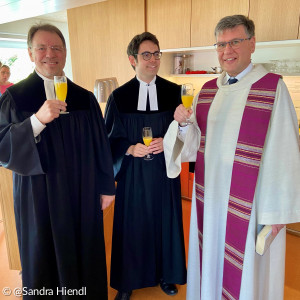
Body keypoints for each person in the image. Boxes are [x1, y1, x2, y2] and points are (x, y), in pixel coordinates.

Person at [164, 15, 300, 300]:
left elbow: (287, 153)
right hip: (211, 201)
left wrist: (275, 215)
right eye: (221, 44)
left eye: (235, 42)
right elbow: (192, 147)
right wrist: (183, 124)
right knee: (210, 262)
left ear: (252, 43)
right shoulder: (208, 90)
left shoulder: (272, 88)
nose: (227, 51)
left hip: (250, 207)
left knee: (246, 278)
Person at [0, 23, 115, 299]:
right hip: (37, 194)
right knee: (43, 253)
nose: (49, 54)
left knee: (83, 248)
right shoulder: (15, 98)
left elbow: (101, 146)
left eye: (56, 48)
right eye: (41, 47)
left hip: (81, 192)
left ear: (65, 53)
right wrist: (37, 121)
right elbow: (2, 145)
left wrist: (106, 186)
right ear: (30, 53)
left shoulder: (84, 99)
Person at [104, 32, 186, 300]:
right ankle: (127, 282)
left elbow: (186, 132)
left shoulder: (174, 92)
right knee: (133, 226)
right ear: (132, 59)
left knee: (165, 222)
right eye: (146, 54)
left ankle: (166, 275)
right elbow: (108, 139)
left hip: (164, 174)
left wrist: (169, 139)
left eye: (157, 54)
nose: (153, 60)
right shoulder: (119, 97)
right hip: (133, 175)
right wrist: (129, 148)